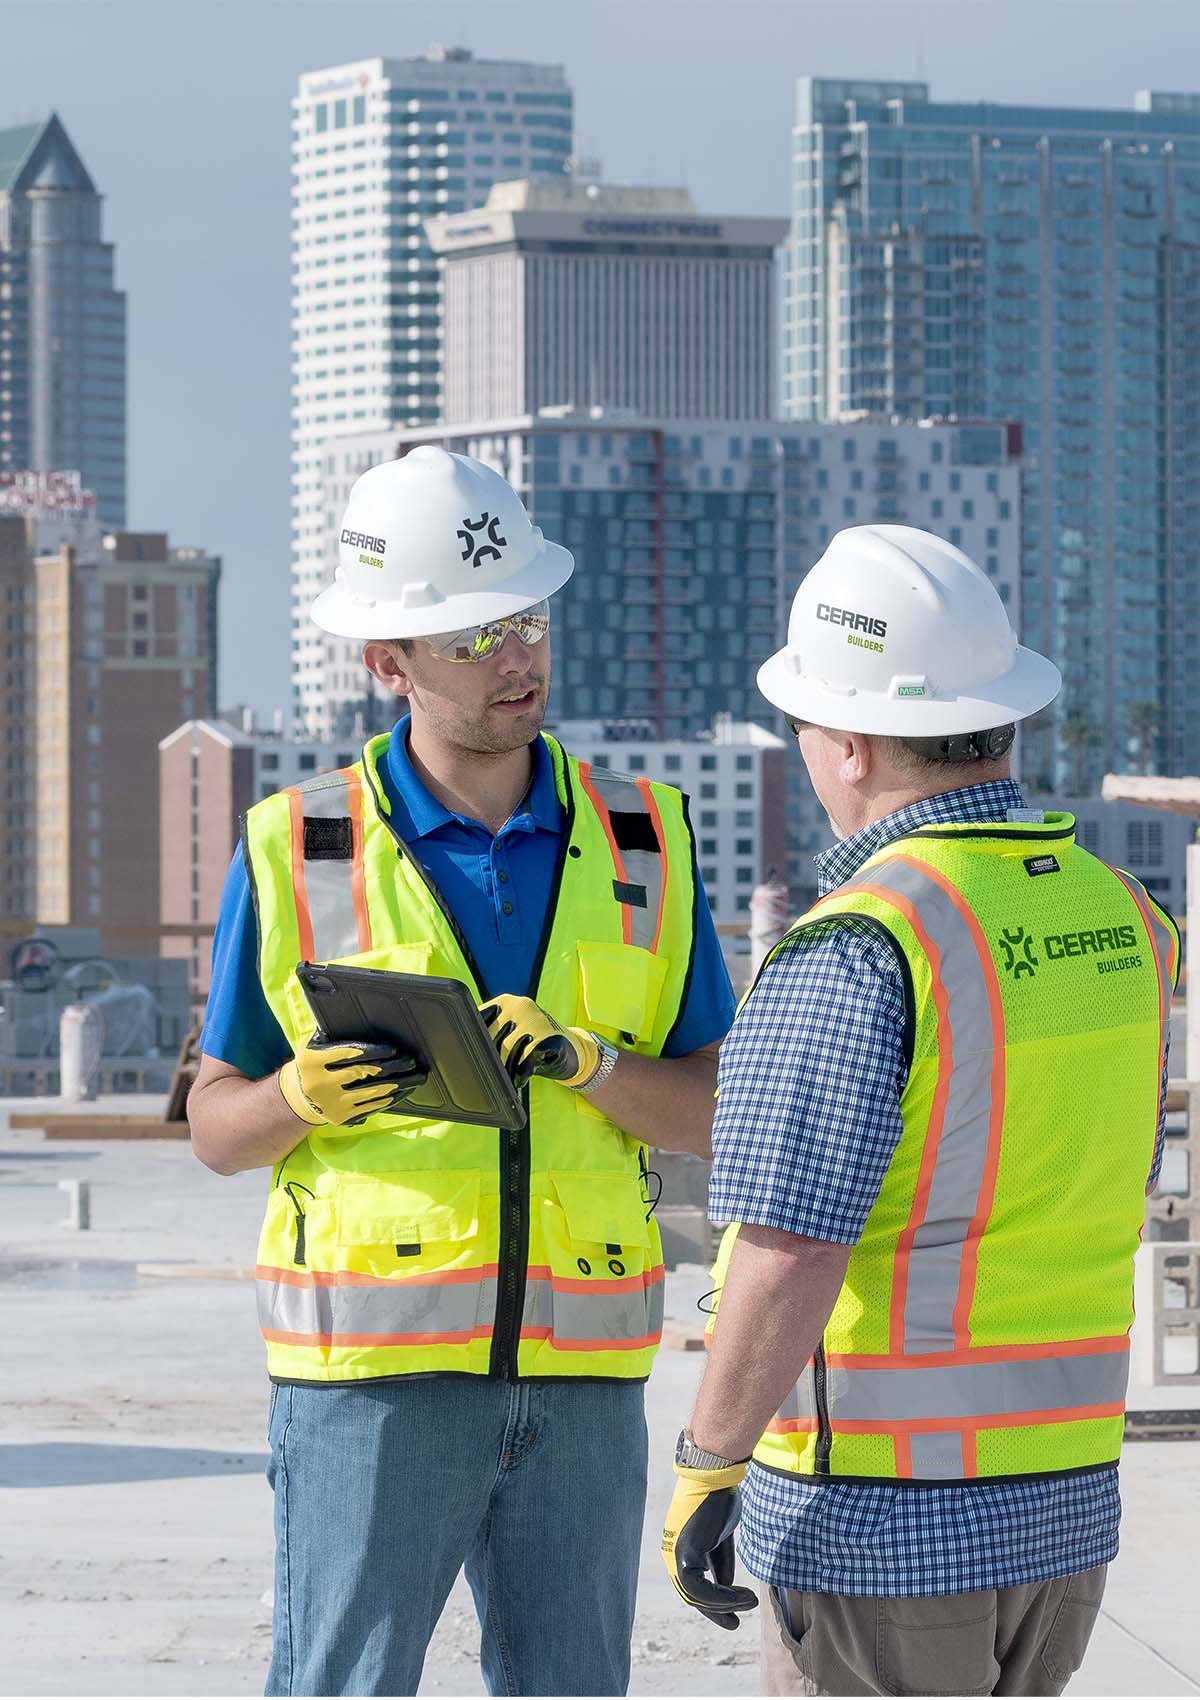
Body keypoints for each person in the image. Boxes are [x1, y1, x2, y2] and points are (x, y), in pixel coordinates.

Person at [189, 445, 735, 1699]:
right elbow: (218, 1126)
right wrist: (294, 1100)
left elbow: (713, 1105)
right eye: (475, 634)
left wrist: (595, 1065)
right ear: (389, 661)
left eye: (527, 619)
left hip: (584, 1383)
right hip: (370, 1389)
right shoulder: (296, 844)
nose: (518, 657)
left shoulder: (645, 837)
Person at [661, 525, 1178, 1698]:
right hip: (1064, 1513)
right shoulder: (1127, 921)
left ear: (846, 741)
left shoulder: (860, 941)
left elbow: (789, 1245)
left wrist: (709, 1458)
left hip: (881, 1530)